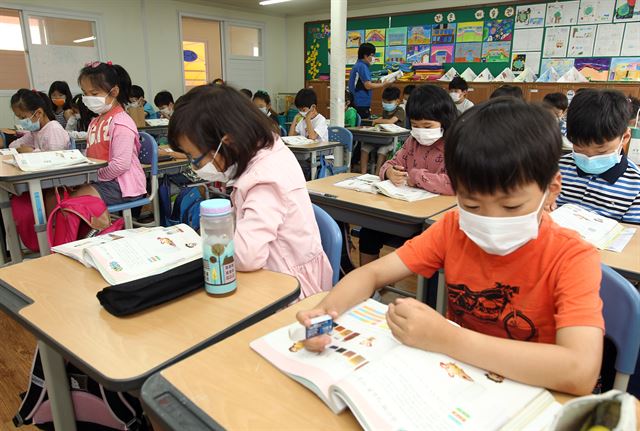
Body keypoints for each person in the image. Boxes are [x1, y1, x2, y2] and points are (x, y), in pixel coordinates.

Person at [298, 98, 604, 396]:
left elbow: (580, 372)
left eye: (511, 207)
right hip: (456, 384)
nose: (490, 219)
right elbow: (372, 274)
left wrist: (449, 339)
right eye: (472, 204)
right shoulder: (454, 228)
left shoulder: (572, 258)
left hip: (530, 396)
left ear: (551, 190)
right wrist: (325, 312)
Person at [168, 85, 333, 299]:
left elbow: (246, 256)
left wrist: (207, 244)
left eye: (195, 158)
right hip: (270, 274)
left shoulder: (264, 177)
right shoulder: (266, 149)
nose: (194, 167)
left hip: (291, 290)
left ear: (226, 142)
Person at [358, 85, 456, 265]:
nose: (421, 131)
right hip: (405, 213)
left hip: (435, 222)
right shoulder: (413, 141)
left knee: (429, 250)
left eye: (427, 126)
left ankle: (425, 291)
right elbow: (392, 162)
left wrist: (416, 176)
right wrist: (389, 172)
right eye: (416, 125)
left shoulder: (454, 145)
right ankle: (373, 290)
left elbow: (454, 184)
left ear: (445, 120)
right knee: (368, 231)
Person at [555, 89, 640, 223]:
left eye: (601, 151)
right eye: (579, 148)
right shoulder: (557, 168)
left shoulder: (635, 185)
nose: (589, 158)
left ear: (625, 137)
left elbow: (633, 237)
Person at [71, 62, 147, 207]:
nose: (87, 98)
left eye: (94, 94)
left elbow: (120, 165)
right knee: (61, 194)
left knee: (74, 202)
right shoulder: (95, 121)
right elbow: (91, 153)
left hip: (124, 186)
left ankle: (102, 229)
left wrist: (94, 176)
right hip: (103, 181)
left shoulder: (121, 122)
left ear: (114, 92)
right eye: (85, 93)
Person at [360, 86, 405, 174]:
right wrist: (379, 120)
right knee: (364, 148)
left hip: (393, 141)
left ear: (397, 101)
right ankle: (363, 174)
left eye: (389, 102)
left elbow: (390, 121)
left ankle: (378, 175)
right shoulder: (385, 111)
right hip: (380, 139)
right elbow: (383, 118)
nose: (386, 104)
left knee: (382, 151)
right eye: (384, 101)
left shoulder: (400, 111)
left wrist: (377, 121)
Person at [348, 43, 391, 119]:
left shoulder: (358, 65)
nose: (374, 58)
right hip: (361, 102)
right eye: (372, 55)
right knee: (362, 124)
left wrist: (376, 83)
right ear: (365, 56)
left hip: (356, 101)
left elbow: (364, 84)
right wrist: (384, 84)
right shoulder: (362, 66)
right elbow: (368, 85)